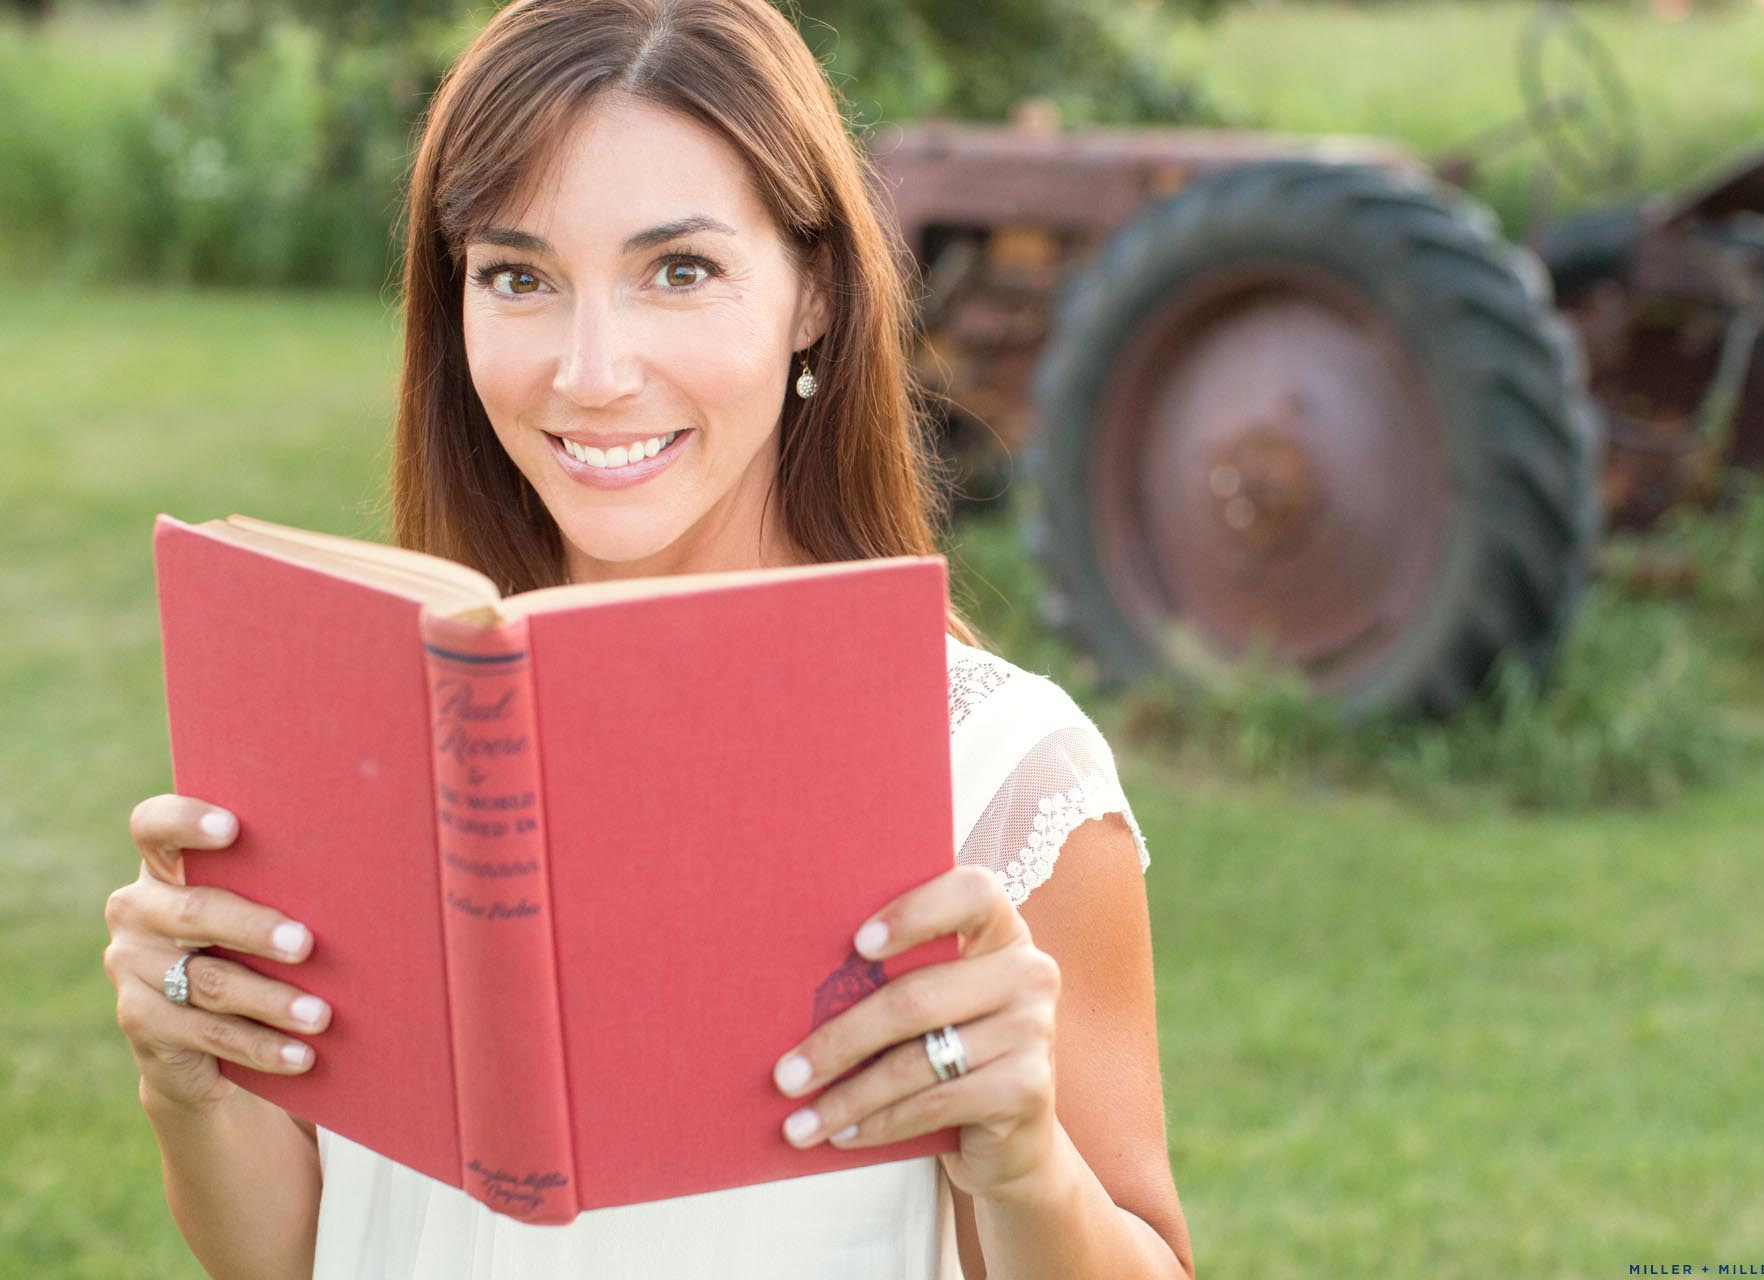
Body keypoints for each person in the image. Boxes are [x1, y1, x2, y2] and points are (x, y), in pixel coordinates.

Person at [101, 1, 1194, 1276]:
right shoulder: (359, 728)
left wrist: (1022, 1160)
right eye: (519, 275)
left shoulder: (1002, 776)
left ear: (815, 292)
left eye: (678, 270)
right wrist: (190, 1082)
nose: (594, 370)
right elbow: (302, 1252)